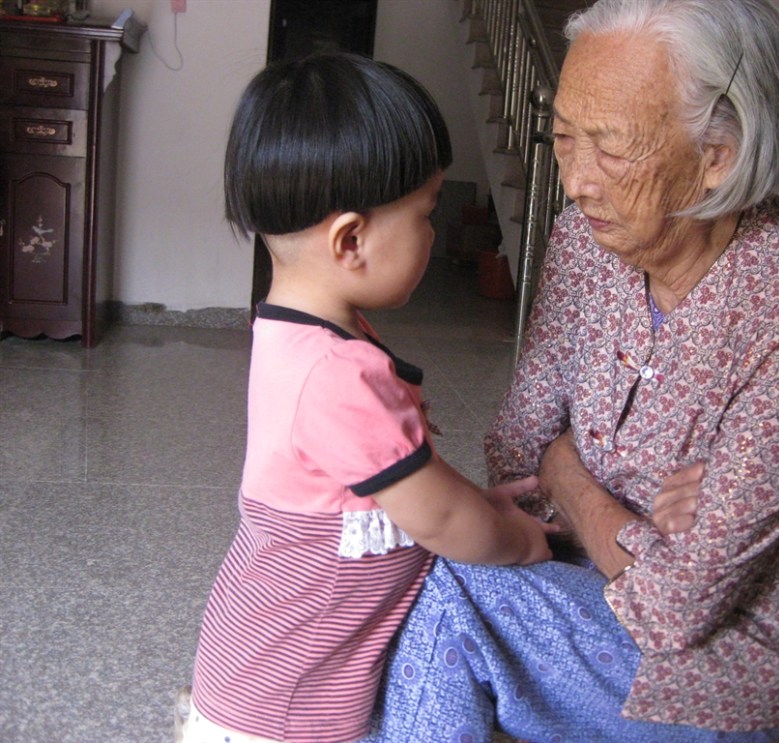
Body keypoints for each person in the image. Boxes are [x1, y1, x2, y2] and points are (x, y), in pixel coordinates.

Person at [361, 0, 779, 741]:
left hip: (717, 672)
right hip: (585, 584)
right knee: (400, 555)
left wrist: (569, 474)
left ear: (718, 154)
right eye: (564, 139)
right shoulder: (583, 241)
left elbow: (677, 605)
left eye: (609, 146)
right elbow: (514, 448)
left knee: (447, 589)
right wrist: (632, 520)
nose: (576, 182)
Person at [178, 53, 555, 743]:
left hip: (265, 682)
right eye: (426, 211)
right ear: (351, 239)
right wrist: (519, 540)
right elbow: (440, 517)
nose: (435, 231)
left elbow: (401, 490)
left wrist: (468, 498)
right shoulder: (336, 374)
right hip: (282, 715)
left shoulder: (304, 333)